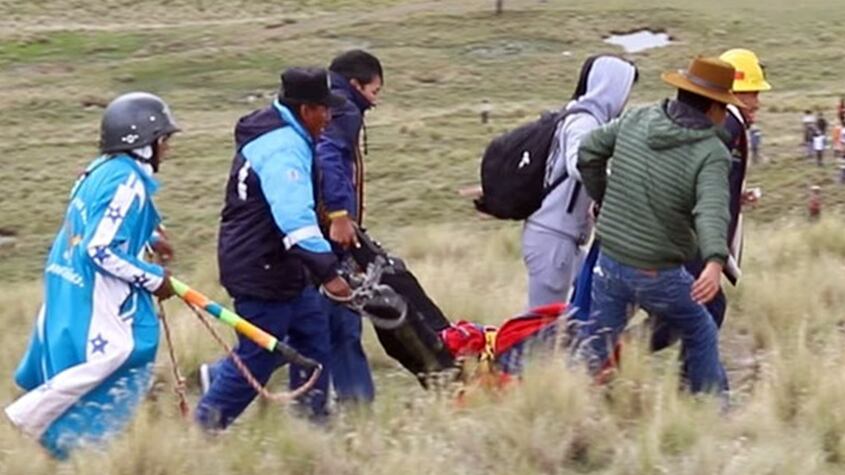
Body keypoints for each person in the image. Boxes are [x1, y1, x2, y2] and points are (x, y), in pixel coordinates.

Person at [5, 92, 180, 458]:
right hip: (94, 288)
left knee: (71, 357)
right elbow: (100, 249)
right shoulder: (127, 184)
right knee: (120, 354)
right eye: (164, 140)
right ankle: (55, 433)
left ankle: (57, 446)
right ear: (145, 143)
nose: (168, 148)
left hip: (66, 280)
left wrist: (149, 235)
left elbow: (97, 221)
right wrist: (153, 278)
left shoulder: (100, 169)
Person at [195, 67, 352, 430]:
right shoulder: (283, 148)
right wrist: (329, 273)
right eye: (323, 109)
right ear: (304, 110)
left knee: (313, 339)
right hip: (259, 268)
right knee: (261, 355)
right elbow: (294, 218)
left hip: (283, 266)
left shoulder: (287, 134)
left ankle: (312, 424)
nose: (328, 117)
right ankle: (203, 428)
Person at [576, 56, 742, 395]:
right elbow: (712, 209)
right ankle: (716, 408)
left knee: (597, 343)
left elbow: (589, 150)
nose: (726, 115)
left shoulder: (636, 117)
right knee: (701, 327)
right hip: (657, 271)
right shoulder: (712, 151)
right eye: (724, 106)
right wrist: (713, 261)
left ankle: (567, 400)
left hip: (609, 260)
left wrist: (603, 196)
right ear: (712, 107)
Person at [651, 48, 771, 367]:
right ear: (734, 91)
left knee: (691, 310)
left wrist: (737, 193)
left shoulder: (720, 123)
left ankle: (626, 352)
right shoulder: (727, 128)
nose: (757, 102)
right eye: (753, 93)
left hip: (686, 235)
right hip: (695, 240)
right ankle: (688, 380)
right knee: (704, 308)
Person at [522, 55, 638, 309]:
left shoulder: (579, 115)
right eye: (625, 91)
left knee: (591, 303)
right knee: (541, 328)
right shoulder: (584, 122)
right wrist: (618, 187)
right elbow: (580, 164)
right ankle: (508, 349)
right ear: (610, 87)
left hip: (558, 239)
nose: (625, 100)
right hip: (554, 240)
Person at [317, 49, 383, 405]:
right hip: (328, 234)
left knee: (323, 321)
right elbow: (328, 158)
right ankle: (357, 402)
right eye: (374, 92)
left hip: (314, 232)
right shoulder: (344, 108)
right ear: (356, 84)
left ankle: (355, 400)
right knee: (337, 321)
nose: (374, 101)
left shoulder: (326, 102)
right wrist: (340, 215)